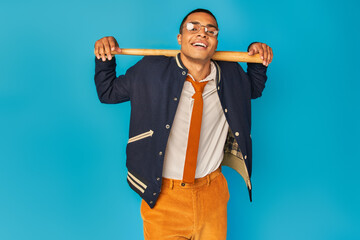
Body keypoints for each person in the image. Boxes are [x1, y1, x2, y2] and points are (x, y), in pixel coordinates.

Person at [94, 8, 273, 240]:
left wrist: (257, 55)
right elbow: (107, 93)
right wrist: (105, 55)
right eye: (193, 27)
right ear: (180, 38)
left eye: (211, 30)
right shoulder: (150, 70)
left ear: (216, 42)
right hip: (164, 197)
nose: (202, 33)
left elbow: (254, 88)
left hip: (213, 194)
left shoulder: (230, 75)